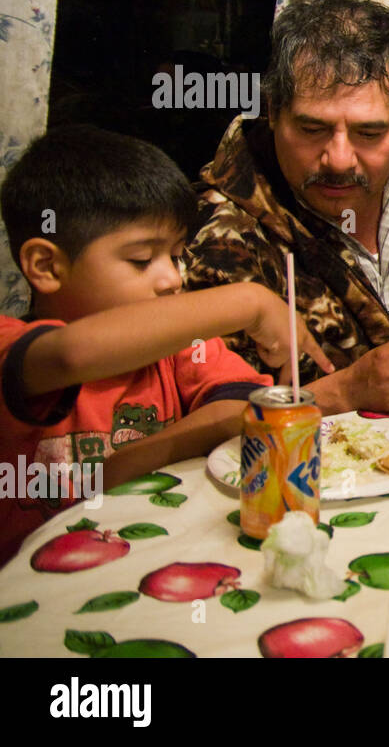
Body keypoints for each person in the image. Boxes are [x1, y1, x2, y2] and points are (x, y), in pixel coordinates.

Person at [0, 126, 330, 564]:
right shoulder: (12, 347)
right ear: (46, 265)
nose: (172, 278)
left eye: (176, 256)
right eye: (141, 260)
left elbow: (238, 408)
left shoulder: (177, 349)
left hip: (154, 557)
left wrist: (122, 465)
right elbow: (71, 354)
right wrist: (249, 300)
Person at [185, 0, 389, 415]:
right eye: (312, 128)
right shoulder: (217, 233)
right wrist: (347, 392)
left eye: (369, 133)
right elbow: (203, 422)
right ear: (272, 111)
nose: (338, 159)